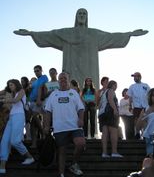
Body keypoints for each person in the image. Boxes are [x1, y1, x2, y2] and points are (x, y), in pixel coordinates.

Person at [13, 8, 148, 89]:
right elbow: (50, 34)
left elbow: (111, 37)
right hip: (71, 69)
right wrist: (32, 33)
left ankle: (92, 132)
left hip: (90, 71)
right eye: (79, 13)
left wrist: (129, 34)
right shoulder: (66, 33)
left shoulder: (94, 34)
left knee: (89, 96)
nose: (82, 15)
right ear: (76, 17)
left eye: (84, 13)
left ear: (87, 17)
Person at [44, 72, 85, 177]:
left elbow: (81, 108)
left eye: (64, 78)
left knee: (81, 143)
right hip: (59, 128)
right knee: (62, 151)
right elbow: (47, 111)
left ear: (68, 79)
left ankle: (73, 164)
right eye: (60, 78)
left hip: (74, 126)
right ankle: (61, 176)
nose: (62, 80)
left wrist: (81, 119)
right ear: (58, 81)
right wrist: (46, 126)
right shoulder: (53, 94)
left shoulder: (74, 93)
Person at [0, 79, 34, 174]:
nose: (10, 86)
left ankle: (30, 157)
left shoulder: (21, 91)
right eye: (9, 85)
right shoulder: (11, 93)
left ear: (16, 84)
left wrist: (4, 99)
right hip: (11, 117)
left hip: (19, 116)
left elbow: (16, 100)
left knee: (15, 141)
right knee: (4, 141)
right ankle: (2, 164)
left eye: (11, 85)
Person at [98, 80, 123, 158]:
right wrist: (115, 109)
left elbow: (99, 105)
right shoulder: (111, 90)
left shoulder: (102, 93)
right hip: (109, 112)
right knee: (113, 131)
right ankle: (114, 152)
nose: (116, 87)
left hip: (102, 113)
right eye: (116, 85)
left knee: (105, 133)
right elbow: (110, 99)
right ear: (113, 85)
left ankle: (104, 152)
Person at [29, 65, 48, 148]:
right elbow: (30, 89)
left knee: (34, 117)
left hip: (39, 101)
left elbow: (41, 87)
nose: (36, 72)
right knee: (32, 123)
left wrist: (39, 99)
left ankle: (43, 133)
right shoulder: (35, 81)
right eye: (35, 71)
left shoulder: (44, 77)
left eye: (37, 70)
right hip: (32, 102)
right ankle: (34, 143)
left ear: (41, 70)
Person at [127, 72, 150, 139]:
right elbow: (130, 97)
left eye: (136, 76)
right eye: (134, 77)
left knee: (145, 120)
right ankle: (137, 133)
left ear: (140, 77)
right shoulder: (132, 86)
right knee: (136, 120)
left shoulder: (145, 85)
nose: (134, 78)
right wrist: (130, 106)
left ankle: (144, 133)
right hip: (136, 106)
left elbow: (150, 94)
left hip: (145, 106)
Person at [136, 88, 154, 157]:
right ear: (150, 97)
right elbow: (138, 127)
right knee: (150, 156)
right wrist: (145, 114)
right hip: (150, 136)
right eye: (153, 95)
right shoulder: (146, 109)